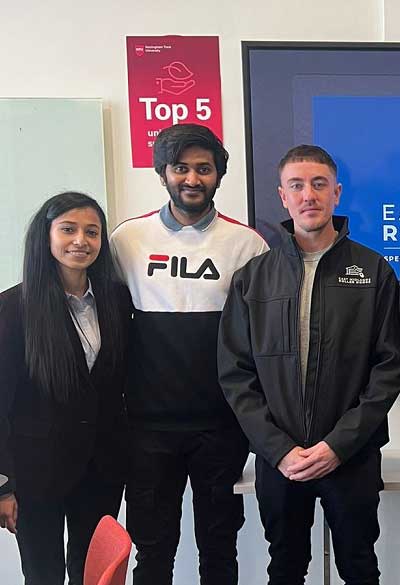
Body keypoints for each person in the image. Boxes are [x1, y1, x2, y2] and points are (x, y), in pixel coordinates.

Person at [218, 144, 400, 585]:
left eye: (319, 184)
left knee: (360, 567)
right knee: (284, 568)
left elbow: (389, 367)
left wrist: (338, 445)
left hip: (351, 457)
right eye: (297, 186)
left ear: (337, 193)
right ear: (282, 196)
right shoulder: (254, 276)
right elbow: (236, 374)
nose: (309, 195)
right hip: (279, 458)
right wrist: (278, 449)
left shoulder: (373, 271)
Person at [110, 124, 268, 585]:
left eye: (204, 169)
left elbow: (257, 344)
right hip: (146, 429)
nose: (192, 179)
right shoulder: (127, 240)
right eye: (181, 168)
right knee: (153, 553)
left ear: (219, 174)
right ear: (163, 173)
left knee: (219, 552)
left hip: (220, 428)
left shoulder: (247, 245)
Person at [0, 192, 130, 585]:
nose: (81, 241)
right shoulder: (13, 308)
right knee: (43, 575)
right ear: (47, 236)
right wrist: (4, 486)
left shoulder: (116, 300)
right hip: (34, 472)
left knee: (92, 573)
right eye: (69, 229)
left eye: (92, 232)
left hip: (102, 467)